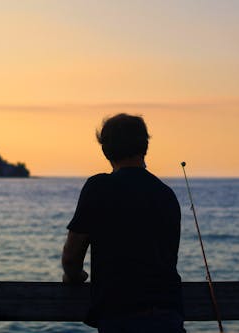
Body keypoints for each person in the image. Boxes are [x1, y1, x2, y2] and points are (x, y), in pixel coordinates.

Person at [61, 113, 185, 332]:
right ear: (144, 146)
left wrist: (75, 276)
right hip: (169, 316)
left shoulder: (99, 188)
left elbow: (71, 258)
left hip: (121, 317)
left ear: (106, 150)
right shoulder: (166, 194)